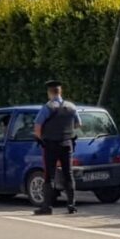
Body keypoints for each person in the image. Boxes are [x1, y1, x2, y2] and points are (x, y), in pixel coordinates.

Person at [33, 79, 82, 215]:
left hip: (51, 145)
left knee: (50, 175)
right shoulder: (71, 107)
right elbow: (78, 124)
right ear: (60, 92)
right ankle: (71, 205)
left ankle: (47, 207)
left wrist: (41, 138)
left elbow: (37, 127)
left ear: (49, 92)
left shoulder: (47, 107)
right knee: (68, 174)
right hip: (67, 144)